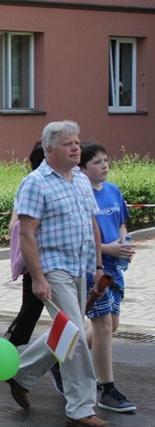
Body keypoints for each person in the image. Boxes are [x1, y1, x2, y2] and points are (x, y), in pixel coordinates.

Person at [6, 120, 109, 427]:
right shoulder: (35, 183)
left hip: (79, 266)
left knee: (67, 330)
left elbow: (91, 222)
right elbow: (26, 233)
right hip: (53, 267)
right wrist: (37, 278)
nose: (76, 148)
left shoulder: (79, 179)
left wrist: (99, 265)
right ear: (49, 150)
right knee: (75, 332)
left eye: (77, 142)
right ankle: (80, 409)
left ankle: (21, 373)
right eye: (68, 144)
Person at [79, 141, 136, 412]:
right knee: (102, 328)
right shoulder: (81, 194)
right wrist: (107, 249)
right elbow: (80, 238)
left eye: (105, 160)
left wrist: (124, 243)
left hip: (115, 270)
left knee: (111, 325)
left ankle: (61, 357)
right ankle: (107, 389)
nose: (104, 166)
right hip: (94, 270)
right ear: (82, 169)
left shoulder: (113, 190)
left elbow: (122, 223)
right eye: (97, 162)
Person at [4, 141, 46, 347]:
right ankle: (10, 347)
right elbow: (17, 226)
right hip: (36, 259)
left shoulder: (28, 183)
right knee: (31, 309)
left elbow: (13, 225)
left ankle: (12, 346)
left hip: (38, 260)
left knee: (31, 310)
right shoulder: (33, 184)